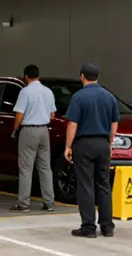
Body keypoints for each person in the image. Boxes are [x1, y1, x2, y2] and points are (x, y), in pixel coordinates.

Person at [64, 62, 119, 238]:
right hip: (103, 144)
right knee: (104, 185)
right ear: (98, 77)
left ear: (82, 77)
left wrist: (68, 146)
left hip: (84, 144)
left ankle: (88, 227)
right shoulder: (109, 97)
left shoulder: (78, 97)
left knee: (85, 185)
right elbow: (114, 123)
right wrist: (109, 142)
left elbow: (73, 124)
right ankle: (107, 226)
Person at [10, 64, 57, 213]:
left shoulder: (25, 92)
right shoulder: (48, 91)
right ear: (38, 75)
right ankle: (49, 202)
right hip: (44, 131)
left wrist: (15, 130)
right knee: (45, 168)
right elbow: (52, 114)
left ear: (26, 77)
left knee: (26, 168)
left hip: (29, 131)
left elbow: (19, 115)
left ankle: (24, 203)